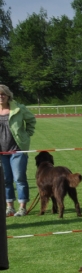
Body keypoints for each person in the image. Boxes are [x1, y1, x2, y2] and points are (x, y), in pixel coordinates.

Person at [0, 85, 36, 218]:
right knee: (5, 180)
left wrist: (27, 135)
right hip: (1, 153)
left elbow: (31, 120)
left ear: (8, 95)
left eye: (3, 94)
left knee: (20, 179)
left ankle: (22, 207)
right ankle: (9, 207)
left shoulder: (18, 108)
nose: (1, 97)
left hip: (17, 150)